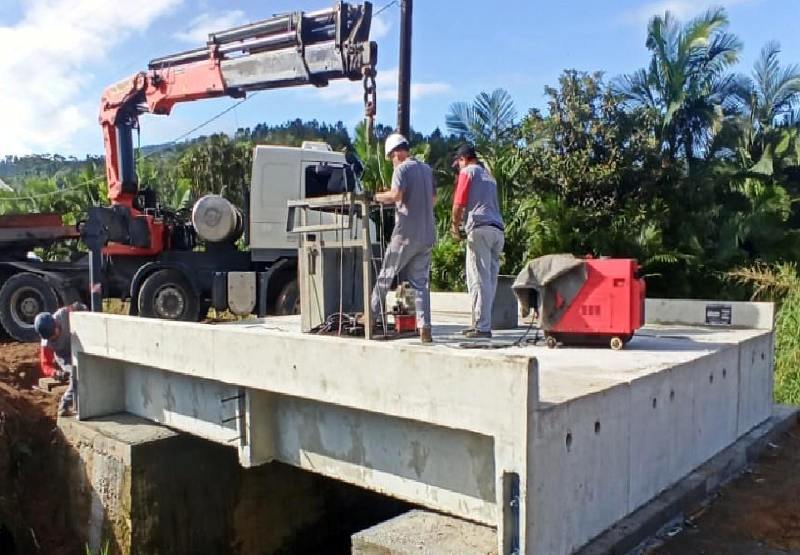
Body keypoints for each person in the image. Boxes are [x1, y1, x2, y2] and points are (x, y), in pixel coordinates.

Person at [371, 133, 436, 343]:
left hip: (406, 234)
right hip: (427, 234)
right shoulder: (426, 169)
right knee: (420, 284)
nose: (392, 162)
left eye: (391, 157)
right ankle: (424, 327)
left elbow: (396, 195)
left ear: (397, 152)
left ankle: (370, 317)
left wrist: (375, 197)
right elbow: (433, 199)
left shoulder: (402, 169)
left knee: (385, 275)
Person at [451, 144, 505, 339]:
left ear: (464, 159)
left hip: (480, 229)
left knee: (477, 278)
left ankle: (482, 327)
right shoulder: (489, 176)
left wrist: (455, 228)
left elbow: (458, 205)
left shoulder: (468, 172)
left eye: (458, 164)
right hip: (497, 230)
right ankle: (483, 323)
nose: (458, 168)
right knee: (489, 279)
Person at [34, 302, 87, 416]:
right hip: (64, 357)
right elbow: (45, 364)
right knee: (76, 372)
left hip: (78, 347)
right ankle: (65, 404)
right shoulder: (46, 343)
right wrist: (55, 373)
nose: (54, 337)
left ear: (55, 323)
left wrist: (83, 310)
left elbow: (79, 307)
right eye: (51, 337)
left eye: (54, 333)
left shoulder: (64, 314)